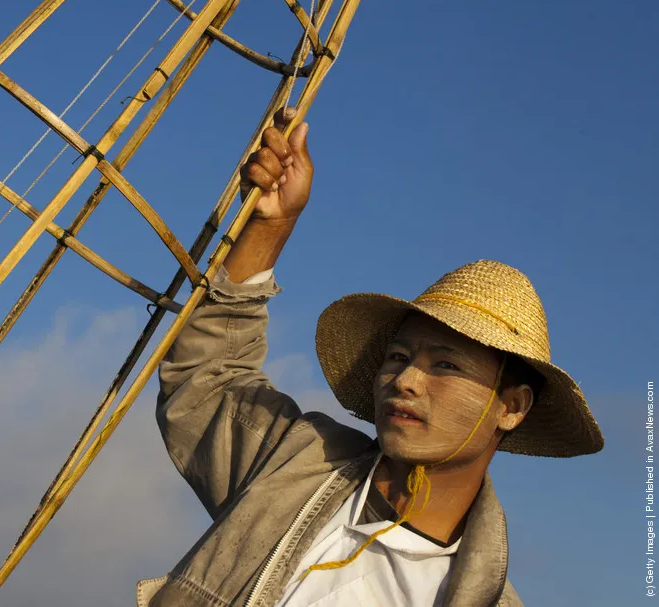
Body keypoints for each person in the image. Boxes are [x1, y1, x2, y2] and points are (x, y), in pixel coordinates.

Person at [136, 108, 603, 606]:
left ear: (511, 406)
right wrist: (272, 226)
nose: (406, 380)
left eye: (445, 365)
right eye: (399, 356)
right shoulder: (300, 463)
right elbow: (207, 379)